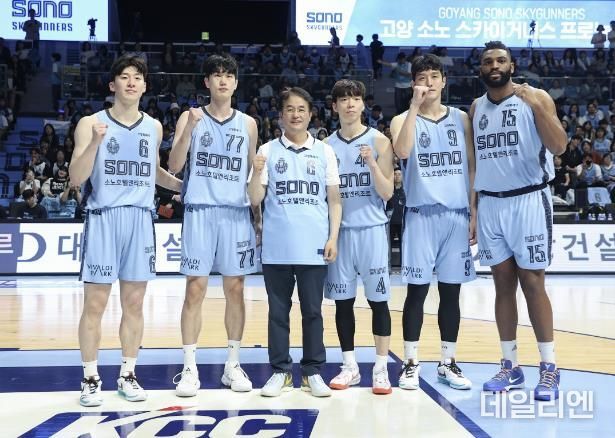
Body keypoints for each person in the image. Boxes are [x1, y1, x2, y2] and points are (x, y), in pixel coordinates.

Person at [69, 55, 182, 407]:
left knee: (134, 304)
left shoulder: (154, 127)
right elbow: (76, 177)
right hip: (103, 217)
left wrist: (183, 186)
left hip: (140, 219)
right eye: (124, 76)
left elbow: (154, 172)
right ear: (112, 84)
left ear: (145, 86)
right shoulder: (91, 123)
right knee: (95, 304)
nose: (131, 82)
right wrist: (94, 143)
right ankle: (90, 378)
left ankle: (128, 374)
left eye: (137, 77)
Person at [471, 41, 567, 400]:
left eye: (501, 60)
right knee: (502, 284)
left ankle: (549, 368)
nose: (494, 66)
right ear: (481, 69)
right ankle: (510, 366)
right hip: (491, 204)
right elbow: (476, 162)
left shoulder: (536, 97)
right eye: (488, 62)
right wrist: (474, 209)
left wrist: (537, 108)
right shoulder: (476, 107)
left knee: (532, 281)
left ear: (512, 66)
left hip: (529, 199)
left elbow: (559, 146)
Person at [167, 54, 260, 397]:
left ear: (235, 83)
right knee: (195, 288)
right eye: (216, 75)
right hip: (201, 211)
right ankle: (189, 367)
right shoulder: (190, 117)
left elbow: (252, 174)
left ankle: (232, 364)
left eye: (228, 75)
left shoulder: (248, 124)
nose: (223, 80)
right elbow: (174, 165)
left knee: (236, 289)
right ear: (206, 82)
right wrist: (189, 130)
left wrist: (258, 218)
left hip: (235, 214)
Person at [248, 87, 342, 398]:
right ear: (280, 115)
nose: (296, 114)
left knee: (313, 312)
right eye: (290, 109)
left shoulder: (324, 151)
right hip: (277, 248)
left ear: (311, 114)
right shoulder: (267, 150)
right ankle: (281, 372)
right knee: (278, 313)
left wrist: (333, 237)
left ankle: (313, 372)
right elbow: (255, 199)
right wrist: (256, 173)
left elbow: (334, 200)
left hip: (314, 246)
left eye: (301, 109)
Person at [390, 54, 476, 391]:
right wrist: (414, 106)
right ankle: (410, 362)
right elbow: (403, 151)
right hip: (420, 215)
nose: (429, 83)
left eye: (434, 76)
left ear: (444, 81)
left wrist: (474, 210)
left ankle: (448, 362)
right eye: (422, 77)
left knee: (451, 293)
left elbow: (471, 166)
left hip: (456, 215)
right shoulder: (401, 119)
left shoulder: (461, 118)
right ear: (413, 83)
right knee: (416, 292)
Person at [323, 79, 394, 394]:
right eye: (344, 99)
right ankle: (349, 366)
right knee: (343, 303)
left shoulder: (379, 141)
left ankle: (381, 368)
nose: (350, 104)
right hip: (341, 233)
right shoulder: (325, 146)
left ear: (363, 104)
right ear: (334, 106)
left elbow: (387, 192)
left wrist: (372, 164)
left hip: (372, 232)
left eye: (355, 98)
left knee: (379, 302)